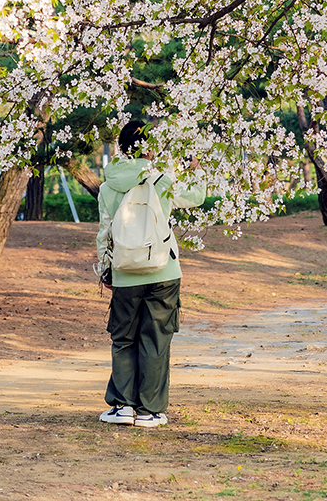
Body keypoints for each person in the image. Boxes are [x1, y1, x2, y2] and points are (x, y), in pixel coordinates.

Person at [95, 119, 205, 427]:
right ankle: (150, 411)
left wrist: (106, 268)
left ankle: (123, 406)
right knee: (156, 339)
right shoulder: (162, 181)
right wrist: (196, 168)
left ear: (122, 149)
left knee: (123, 338)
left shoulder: (108, 185)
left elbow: (104, 232)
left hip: (125, 272)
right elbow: (195, 197)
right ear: (151, 149)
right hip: (162, 271)